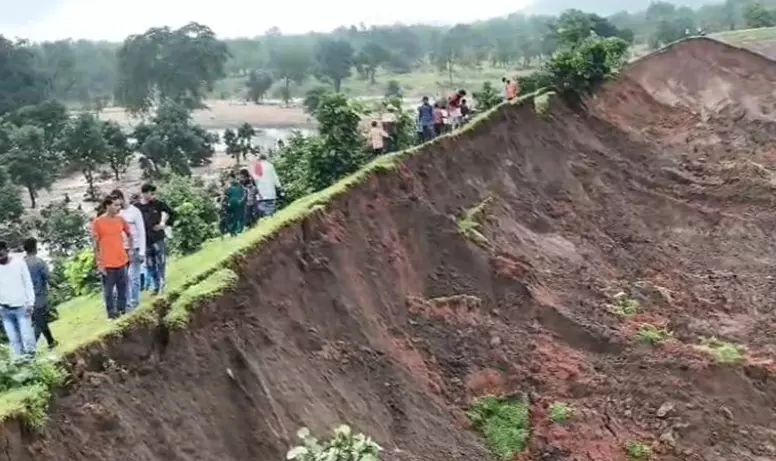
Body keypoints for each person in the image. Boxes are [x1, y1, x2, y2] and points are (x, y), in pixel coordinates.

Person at [93, 195, 132, 319]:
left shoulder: (120, 219)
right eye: (115, 205)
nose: (118, 208)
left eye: (119, 205)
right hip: (107, 263)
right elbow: (96, 244)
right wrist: (99, 262)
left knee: (123, 287)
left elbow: (129, 234)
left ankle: (122, 309)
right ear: (107, 206)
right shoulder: (98, 222)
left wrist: (129, 250)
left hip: (121, 259)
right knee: (109, 291)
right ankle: (111, 314)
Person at [0, 241, 36, 360]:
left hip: (22, 307)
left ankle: (33, 363)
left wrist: (31, 303)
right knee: (14, 340)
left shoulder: (19, 263)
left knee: (27, 338)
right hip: (5, 309)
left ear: (7, 250)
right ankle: (21, 365)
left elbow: (28, 283)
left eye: (1, 253)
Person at [137, 184, 175, 295]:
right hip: (145, 241)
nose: (153, 196)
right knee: (149, 265)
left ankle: (162, 283)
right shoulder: (137, 207)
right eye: (151, 193)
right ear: (144, 193)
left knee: (160, 262)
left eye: (154, 194)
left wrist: (163, 224)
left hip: (158, 238)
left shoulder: (158, 204)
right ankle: (155, 285)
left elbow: (171, 213)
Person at [111, 189, 146, 310]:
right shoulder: (115, 214)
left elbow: (142, 231)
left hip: (135, 248)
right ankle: (127, 304)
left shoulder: (134, 211)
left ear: (121, 198)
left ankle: (134, 302)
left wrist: (142, 251)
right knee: (123, 278)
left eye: (117, 200)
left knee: (134, 277)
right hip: (121, 249)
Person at [23, 238, 56, 349]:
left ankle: (51, 342)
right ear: (34, 248)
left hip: (25, 298)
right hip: (39, 296)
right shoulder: (39, 262)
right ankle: (30, 349)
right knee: (39, 321)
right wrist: (57, 286)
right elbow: (49, 278)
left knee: (39, 320)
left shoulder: (21, 263)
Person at [252, 152, 283, 218]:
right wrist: (279, 188)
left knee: (263, 214)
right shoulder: (270, 166)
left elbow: (255, 180)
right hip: (270, 194)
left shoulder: (257, 166)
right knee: (270, 213)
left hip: (261, 195)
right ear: (266, 158)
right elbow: (275, 179)